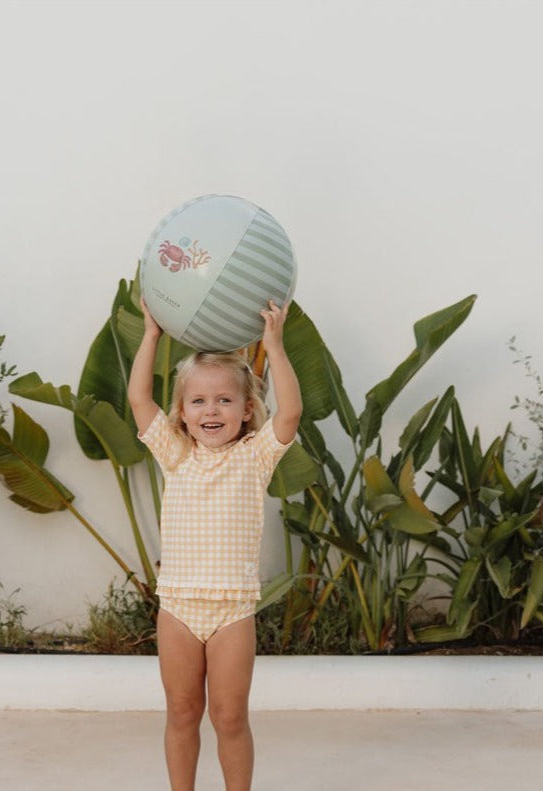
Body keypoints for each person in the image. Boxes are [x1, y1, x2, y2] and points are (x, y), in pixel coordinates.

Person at [128, 298, 301, 791]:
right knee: (182, 713)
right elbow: (141, 400)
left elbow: (290, 412)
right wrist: (151, 335)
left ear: (246, 410)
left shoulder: (257, 457)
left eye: (224, 400)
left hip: (232, 611)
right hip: (179, 607)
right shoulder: (175, 454)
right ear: (181, 413)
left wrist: (275, 347)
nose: (211, 410)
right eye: (198, 401)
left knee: (229, 718)